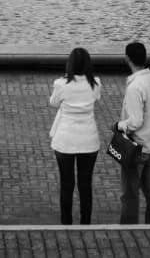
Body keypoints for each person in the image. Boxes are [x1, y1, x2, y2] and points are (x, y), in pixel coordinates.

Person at [48, 47, 101, 225]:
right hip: (89, 139)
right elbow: (97, 98)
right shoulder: (95, 83)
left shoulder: (61, 84)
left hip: (65, 139)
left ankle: (66, 222)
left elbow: (53, 103)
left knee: (66, 183)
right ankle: (86, 221)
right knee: (85, 185)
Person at [116, 41, 150, 224]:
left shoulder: (135, 87)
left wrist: (120, 125)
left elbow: (135, 122)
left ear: (127, 59)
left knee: (129, 193)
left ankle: (128, 228)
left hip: (138, 148)